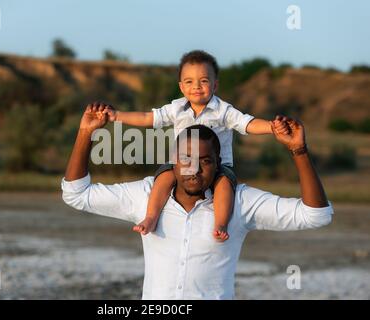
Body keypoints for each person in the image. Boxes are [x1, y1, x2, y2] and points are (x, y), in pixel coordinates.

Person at [61, 102, 333, 300]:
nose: (195, 168)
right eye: (186, 159)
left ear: (218, 164)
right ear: (173, 162)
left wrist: (298, 150)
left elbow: (316, 215)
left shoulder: (240, 202)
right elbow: (76, 194)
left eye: (205, 161)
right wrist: (86, 133)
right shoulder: (145, 196)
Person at [102, 50, 285, 241]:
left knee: (224, 184)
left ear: (215, 85)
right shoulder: (176, 108)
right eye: (189, 82)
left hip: (218, 166)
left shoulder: (223, 111)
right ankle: (151, 217)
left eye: (204, 81)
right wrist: (117, 116)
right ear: (181, 87)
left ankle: (221, 224)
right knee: (164, 175)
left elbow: (248, 123)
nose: (196, 86)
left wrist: (272, 127)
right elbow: (148, 117)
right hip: (183, 164)